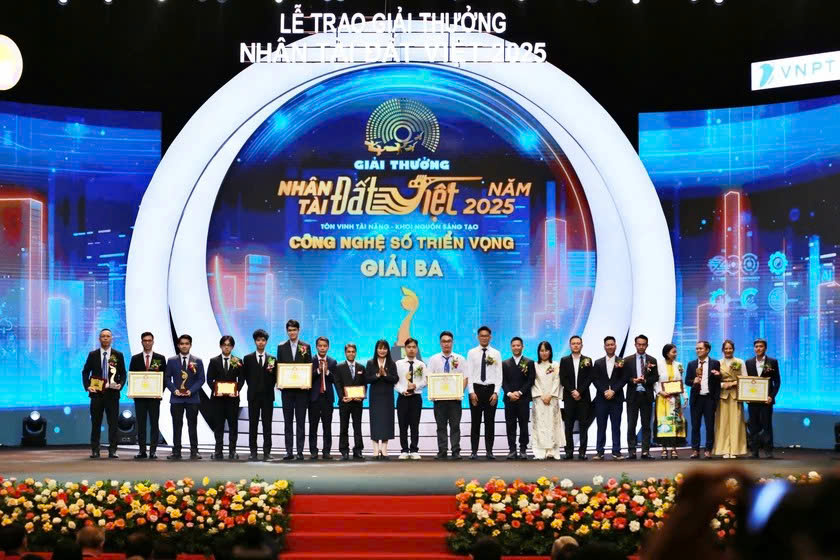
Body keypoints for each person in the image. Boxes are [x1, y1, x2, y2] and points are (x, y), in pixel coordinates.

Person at [81, 327, 126, 459]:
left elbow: (123, 373)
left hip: (112, 394)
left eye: (108, 336)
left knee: (113, 423)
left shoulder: (118, 355)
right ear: (99, 339)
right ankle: (95, 450)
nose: (105, 338)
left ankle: (113, 450)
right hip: (97, 394)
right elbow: (85, 371)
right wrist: (87, 386)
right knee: (96, 423)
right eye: (103, 336)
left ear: (112, 339)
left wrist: (120, 385)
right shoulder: (93, 354)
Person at [427, 331, 467, 460]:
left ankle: (456, 451)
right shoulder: (433, 359)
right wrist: (433, 392)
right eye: (444, 341)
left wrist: (459, 392)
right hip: (439, 400)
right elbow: (428, 378)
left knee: (455, 426)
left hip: (455, 399)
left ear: (452, 343)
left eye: (449, 341)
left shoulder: (460, 359)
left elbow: (465, 378)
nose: (446, 344)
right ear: (440, 343)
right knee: (441, 426)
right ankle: (442, 451)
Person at [164, 334, 205, 461]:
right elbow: (166, 378)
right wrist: (174, 390)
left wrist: (191, 391)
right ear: (178, 345)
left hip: (192, 398)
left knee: (192, 425)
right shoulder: (171, 360)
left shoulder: (197, 361)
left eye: (187, 343)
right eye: (182, 344)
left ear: (190, 345)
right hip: (176, 399)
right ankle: (176, 451)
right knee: (176, 425)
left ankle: (194, 450)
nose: (184, 346)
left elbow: (201, 379)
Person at [467, 326, 503, 460]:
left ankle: (489, 451)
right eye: (481, 336)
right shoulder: (471, 353)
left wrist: (496, 392)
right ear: (478, 337)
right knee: (475, 422)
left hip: (490, 391)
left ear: (490, 337)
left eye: (486, 336)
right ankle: (474, 451)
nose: (484, 338)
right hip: (476, 390)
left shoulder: (496, 353)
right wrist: (471, 392)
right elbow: (469, 373)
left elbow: (499, 375)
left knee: (490, 422)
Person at [276, 319, 311, 461]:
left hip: (302, 391)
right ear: (287, 331)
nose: (292, 332)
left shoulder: (306, 346)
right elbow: (279, 366)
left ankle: (300, 451)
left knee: (301, 421)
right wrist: (279, 382)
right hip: (287, 391)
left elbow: (309, 366)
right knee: (288, 421)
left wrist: (307, 382)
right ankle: (289, 451)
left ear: (299, 330)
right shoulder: (281, 347)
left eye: (294, 330)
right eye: (289, 330)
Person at [128, 331, 165, 460]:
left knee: (154, 424)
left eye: (150, 340)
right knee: (141, 424)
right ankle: (142, 450)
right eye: (145, 340)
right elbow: (131, 377)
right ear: (141, 342)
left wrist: (159, 392)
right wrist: (132, 391)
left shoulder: (160, 358)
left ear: (153, 342)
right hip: (140, 398)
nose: (147, 343)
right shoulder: (135, 358)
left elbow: (164, 378)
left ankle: (153, 451)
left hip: (154, 398)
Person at [206, 335, 244, 461]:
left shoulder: (238, 361)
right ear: (220, 346)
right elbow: (209, 379)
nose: (226, 347)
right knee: (218, 425)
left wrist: (236, 390)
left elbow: (242, 379)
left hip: (233, 400)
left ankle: (232, 451)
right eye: (224, 345)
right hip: (218, 400)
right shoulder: (214, 361)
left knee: (233, 425)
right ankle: (218, 450)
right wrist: (216, 390)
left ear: (232, 347)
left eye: (229, 345)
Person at [745, 338, 781, 458]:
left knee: (767, 425)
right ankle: (754, 451)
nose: (758, 348)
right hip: (752, 400)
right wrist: (746, 396)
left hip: (766, 400)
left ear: (765, 348)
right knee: (753, 426)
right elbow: (746, 381)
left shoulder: (772, 362)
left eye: (761, 346)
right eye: (756, 347)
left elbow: (777, 382)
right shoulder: (748, 362)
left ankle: (768, 450)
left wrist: (771, 396)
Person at [624, 334, 659, 460]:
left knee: (646, 425)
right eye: (639, 344)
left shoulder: (652, 360)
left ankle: (645, 451)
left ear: (647, 345)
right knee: (631, 425)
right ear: (635, 345)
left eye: (643, 344)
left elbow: (655, 377)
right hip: (632, 396)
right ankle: (632, 451)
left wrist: (645, 381)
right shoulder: (627, 360)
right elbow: (623, 377)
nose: (641, 346)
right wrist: (633, 380)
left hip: (646, 396)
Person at [685, 340, 721, 459]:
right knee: (695, 425)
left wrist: (716, 399)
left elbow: (717, 382)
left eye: (700, 348)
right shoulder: (691, 364)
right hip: (696, 398)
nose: (698, 350)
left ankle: (708, 450)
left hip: (709, 398)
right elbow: (687, 381)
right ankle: (695, 450)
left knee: (709, 425)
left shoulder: (715, 363)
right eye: (697, 348)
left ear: (707, 350)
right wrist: (693, 381)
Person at [559, 335, 593, 460]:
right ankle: (569, 451)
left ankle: (582, 451)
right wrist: (573, 391)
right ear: (570, 345)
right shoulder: (564, 360)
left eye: (578, 343)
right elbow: (563, 378)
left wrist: (579, 391)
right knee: (568, 425)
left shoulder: (587, 360)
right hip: (569, 397)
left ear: (582, 345)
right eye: (573, 343)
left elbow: (589, 378)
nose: (576, 345)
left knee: (584, 425)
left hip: (583, 398)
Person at [592, 336, 626, 460]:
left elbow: (624, 379)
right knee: (601, 425)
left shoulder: (621, 361)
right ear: (604, 346)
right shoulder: (598, 362)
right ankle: (599, 451)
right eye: (608, 345)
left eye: (612, 344)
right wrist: (605, 391)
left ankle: (616, 451)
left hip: (617, 399)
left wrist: (614, 391)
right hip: (602, 399)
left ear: (615, 345)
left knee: (616, 426)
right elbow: (595, 379)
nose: (610, 347)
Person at [243, 329, 275, 461]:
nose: (261, 342)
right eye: (258, 340)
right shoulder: (247, 358)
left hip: (268, 397)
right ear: (255, 341)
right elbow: (245, 376)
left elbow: (275, 378)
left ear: (266, 342)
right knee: (253, 424)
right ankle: (253, 452)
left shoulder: (272, 359)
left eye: (263, 340)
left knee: (267, 425)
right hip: (253, 397)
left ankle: (267, 452)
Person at [502, 336, 536, 460]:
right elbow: (503, 381)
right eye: (514, 345)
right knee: (510, 425)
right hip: (509, 399)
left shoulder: (529, 362)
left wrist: (520, 392)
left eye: (518, 345)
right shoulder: (505, 363)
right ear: (511, 347)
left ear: (522, 347)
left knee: (523, 425)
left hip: (523, 399)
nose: (516, 347)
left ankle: (523, 449)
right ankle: (512, 449)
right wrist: (509, 393)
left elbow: (530, 380)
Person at [713, 339, 748, 458]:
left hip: (735, 395)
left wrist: (733, 383)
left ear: (733, 349)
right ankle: (724, 450)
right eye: (726, 348)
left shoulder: (740, 362)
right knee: (722, 423)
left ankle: (735, 450)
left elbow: (745, 378)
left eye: (730, 348)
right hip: (722, 395)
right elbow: (713, 381)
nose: (728, 350)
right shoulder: (717, 363)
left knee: (736, 422)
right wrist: (723, 384)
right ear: (723, 350)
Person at [365, 339, 399, 459]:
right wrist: (377, 375)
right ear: (376, 349)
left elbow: (395, 379)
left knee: (386, 421)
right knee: (375, 421)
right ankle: (375, 449)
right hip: (375, 396)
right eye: (380, 348)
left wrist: (385, 375)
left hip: (387, 396)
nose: (382, 350)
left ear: (388, 350)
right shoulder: (370, 363)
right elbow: (366, 379)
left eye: (384, 348)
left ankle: (384, 449)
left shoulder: (392, 363)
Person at [531, 340, 564, 460]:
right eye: (542, 350)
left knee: (552, 424)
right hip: (539, 399)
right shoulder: (534, 365)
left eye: (546, 350)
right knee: (540, 424)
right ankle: (540, 451)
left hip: (552, 399)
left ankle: (552, 451)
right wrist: (541, 395)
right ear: (538, 352)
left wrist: (551, 395)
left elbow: (557, 380)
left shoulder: (555, 365)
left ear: (550, 352)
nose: (544, 353)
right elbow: (534, 381)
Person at [395, 338, 426, 460]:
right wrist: (402, 390)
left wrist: (416, 386)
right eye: (409, 347)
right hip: (402, 397)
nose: (411, 349)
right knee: (402, 425)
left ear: (417, 349)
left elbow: (425, 381)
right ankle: (404, 450)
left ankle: (414, 449)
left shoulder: (421, 365)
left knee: (414, 424)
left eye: (413, 347)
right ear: (405, 349)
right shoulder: (398, 364)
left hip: (416, 398)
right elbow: (395, 381)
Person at [654, 343, 687, 459]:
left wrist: (685, 396)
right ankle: (663, 448)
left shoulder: (679, 365)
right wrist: (660, 391)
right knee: (664, 422)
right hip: (663, 399)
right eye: (674, 352)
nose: (675, 354)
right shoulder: (659, 364)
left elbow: (681, 382)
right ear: (667, 353)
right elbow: (655, 382)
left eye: (676, 352)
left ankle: (674, 448)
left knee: (675, 422)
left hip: (675, 398)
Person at [335, 343, 367, 461]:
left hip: (357, 403)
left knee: (357, 427)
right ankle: (344, 451)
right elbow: (337, 383)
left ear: (356, 353)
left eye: (353, 351)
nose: (351, 353)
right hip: (344, 402)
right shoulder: (339, 367)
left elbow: (364, 384)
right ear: (345, 353)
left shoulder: (361, 367)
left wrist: (362, 397)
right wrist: (342, 397)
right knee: (344, 427)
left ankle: (358, 450)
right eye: (349, 351)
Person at [308, 336, 337, 460]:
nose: (322, 348)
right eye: (320, 346)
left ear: (328, 347)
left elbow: (335, 380)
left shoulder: (332, 362)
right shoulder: (311, 360)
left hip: (327, 398)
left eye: (325, 346)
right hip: (314, 399)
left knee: (327, 427)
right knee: (313, 427)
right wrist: (318, 371)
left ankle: (326, 451)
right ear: (316, 347)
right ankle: (313, 451)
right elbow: (307, 378)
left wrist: (327, 372)